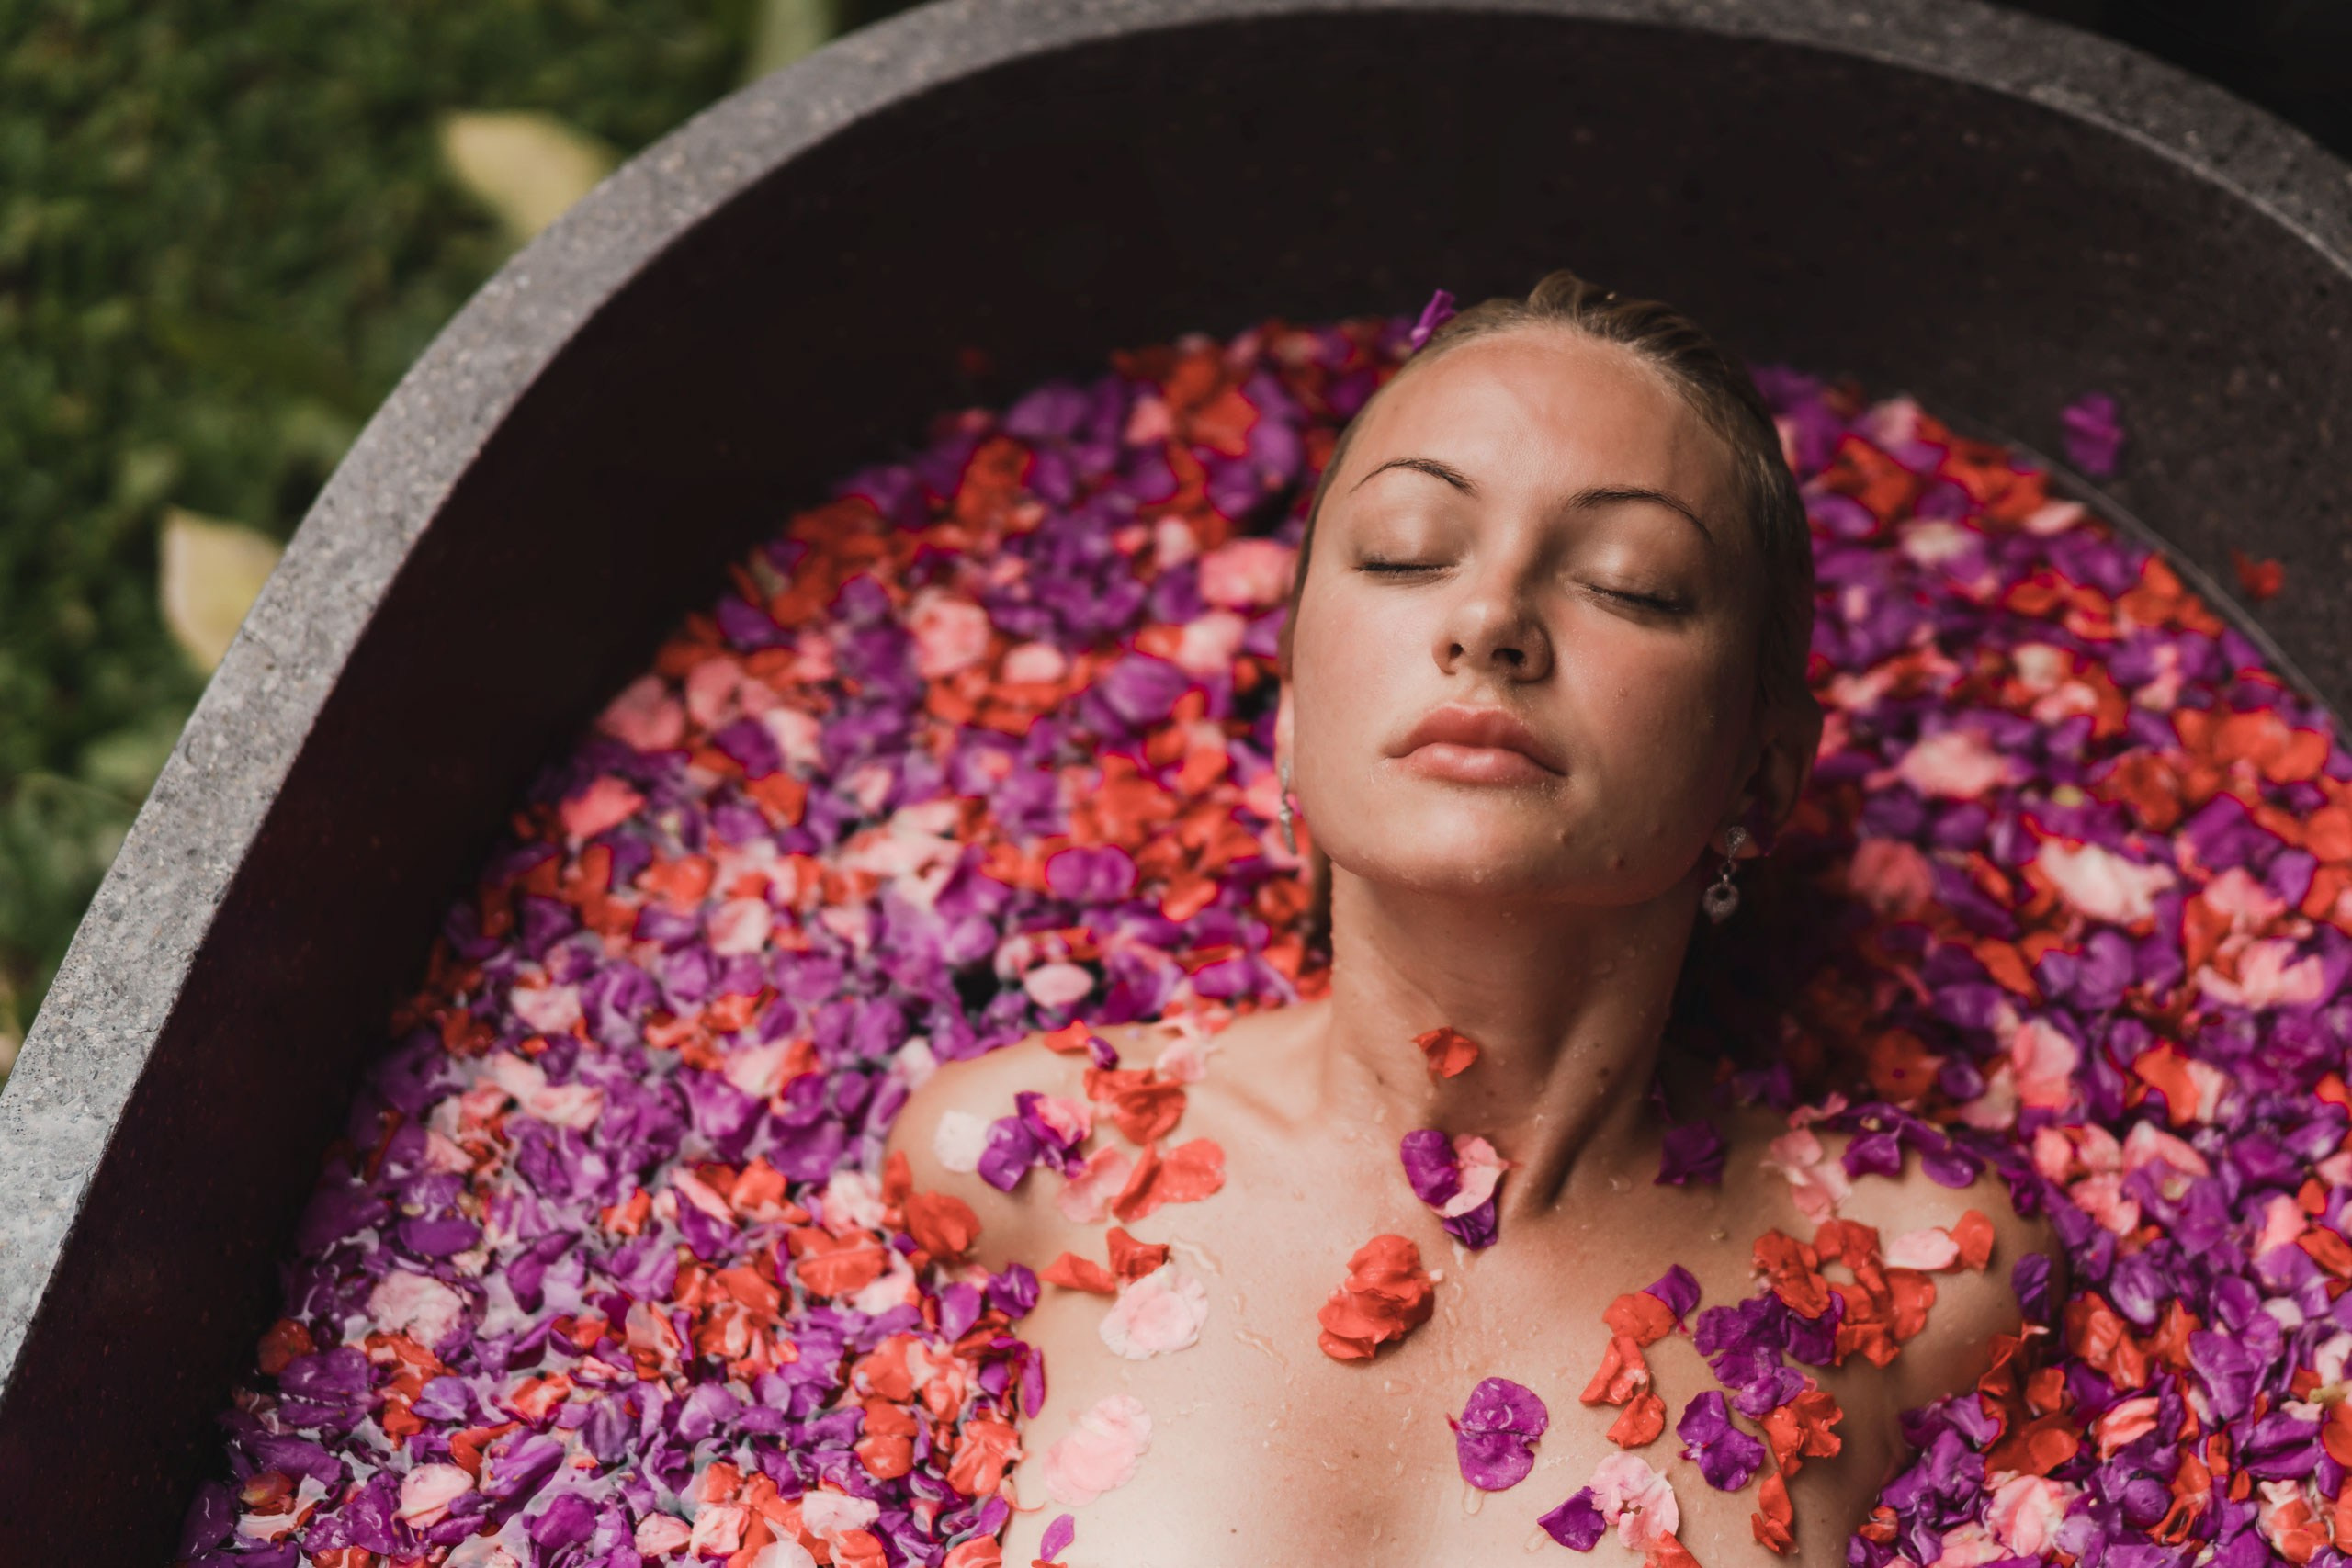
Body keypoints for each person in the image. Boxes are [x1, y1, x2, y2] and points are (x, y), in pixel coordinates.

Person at [888, 269, 2068, 1565]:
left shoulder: (1930, 1286)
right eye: (1405, 551)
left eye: (1630, 583)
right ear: (1289, 721)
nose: (1490, 621)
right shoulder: (1009, 1168)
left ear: (1762, 771)